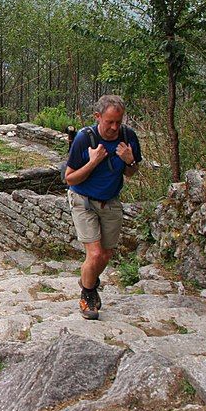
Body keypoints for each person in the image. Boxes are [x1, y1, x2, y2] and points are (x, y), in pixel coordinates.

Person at [64, 95, 141, 320]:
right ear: (98, 117)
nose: (115, 127)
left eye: (118, 121)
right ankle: (88, 295)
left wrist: (130, 161)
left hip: (111, 201)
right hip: (83, 200)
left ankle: (87, 280)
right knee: (95, 253)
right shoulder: (84, 139)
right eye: (109, 122)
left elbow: (131, 173)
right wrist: (93, 162)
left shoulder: (129, 137)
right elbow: (70, 179)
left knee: (105, 255)